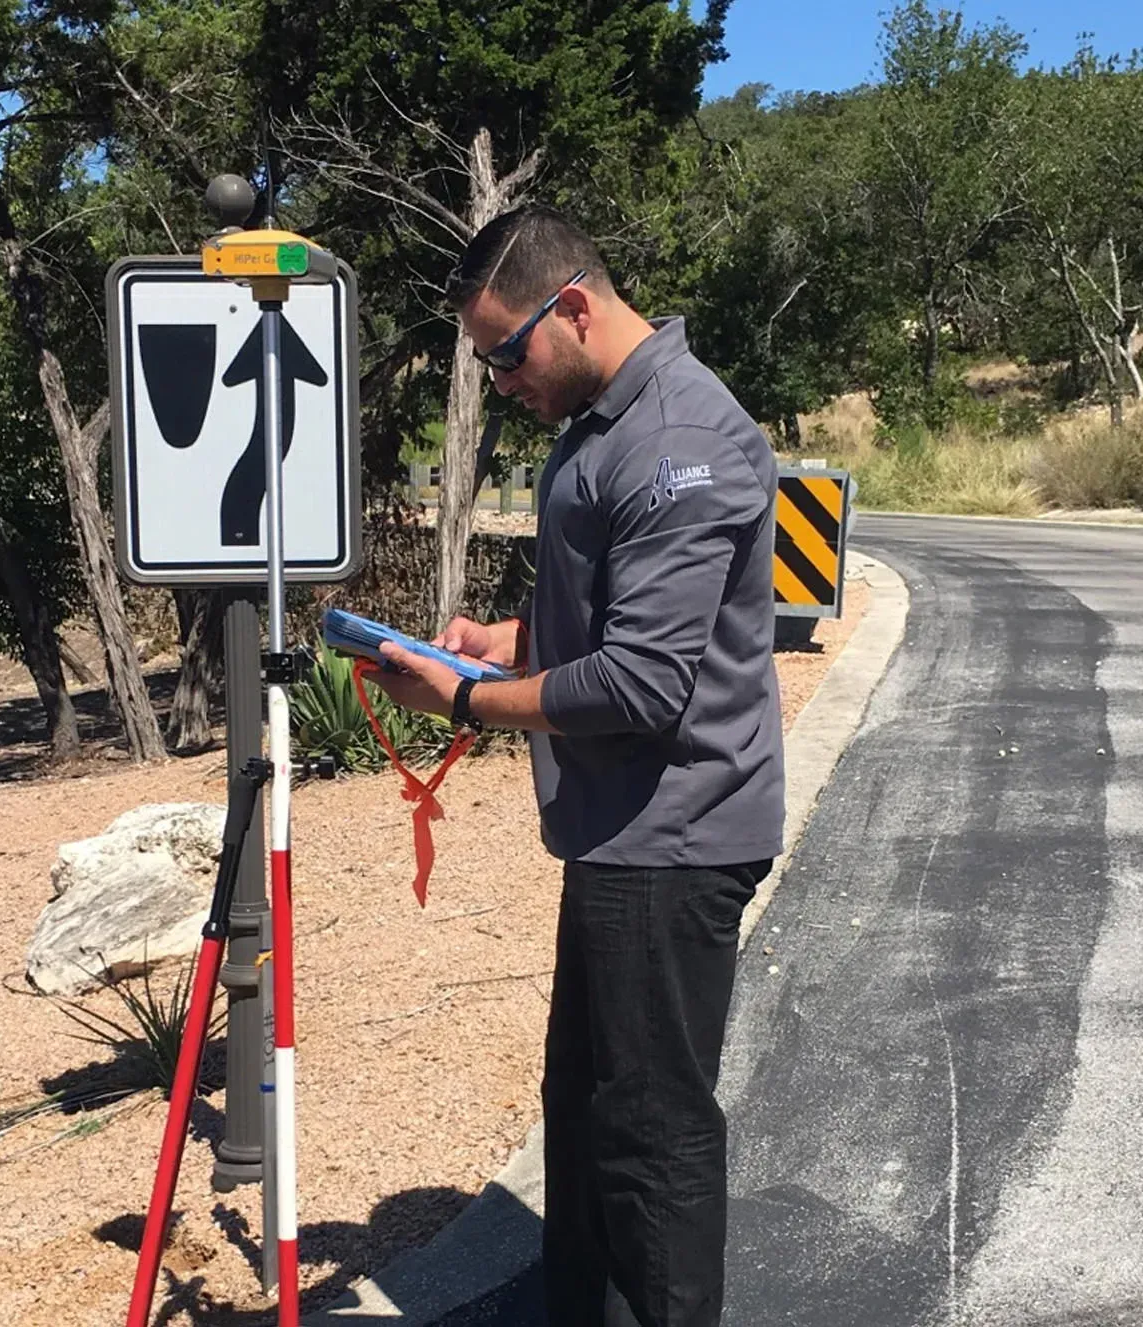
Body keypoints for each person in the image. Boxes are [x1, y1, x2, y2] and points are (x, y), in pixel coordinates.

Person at [370, 204, 785, 1327]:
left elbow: (642, 684)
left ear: (573, 307)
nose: (499, 380)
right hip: (621, 834)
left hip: (674, 834)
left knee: (650, 1136)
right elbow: (611, 624)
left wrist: (462, 696)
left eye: (504, 352)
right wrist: (501, 643)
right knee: (595, 1114)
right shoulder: (605, 421)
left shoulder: (677, 442)